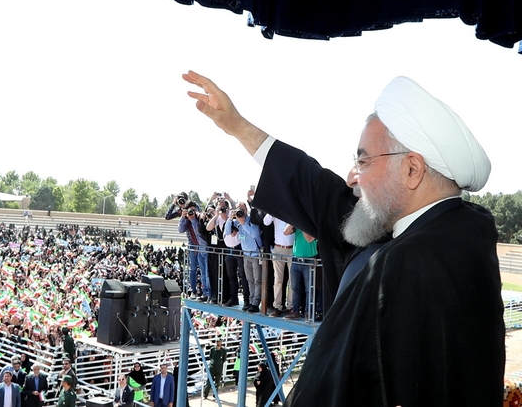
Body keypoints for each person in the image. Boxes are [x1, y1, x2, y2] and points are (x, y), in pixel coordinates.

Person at [184, 70, 503, 406]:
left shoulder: (413, 265)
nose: (356, 177)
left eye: (363, 161)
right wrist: (238, 126)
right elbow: (317, 189)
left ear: (412, 169)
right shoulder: (435, 231)